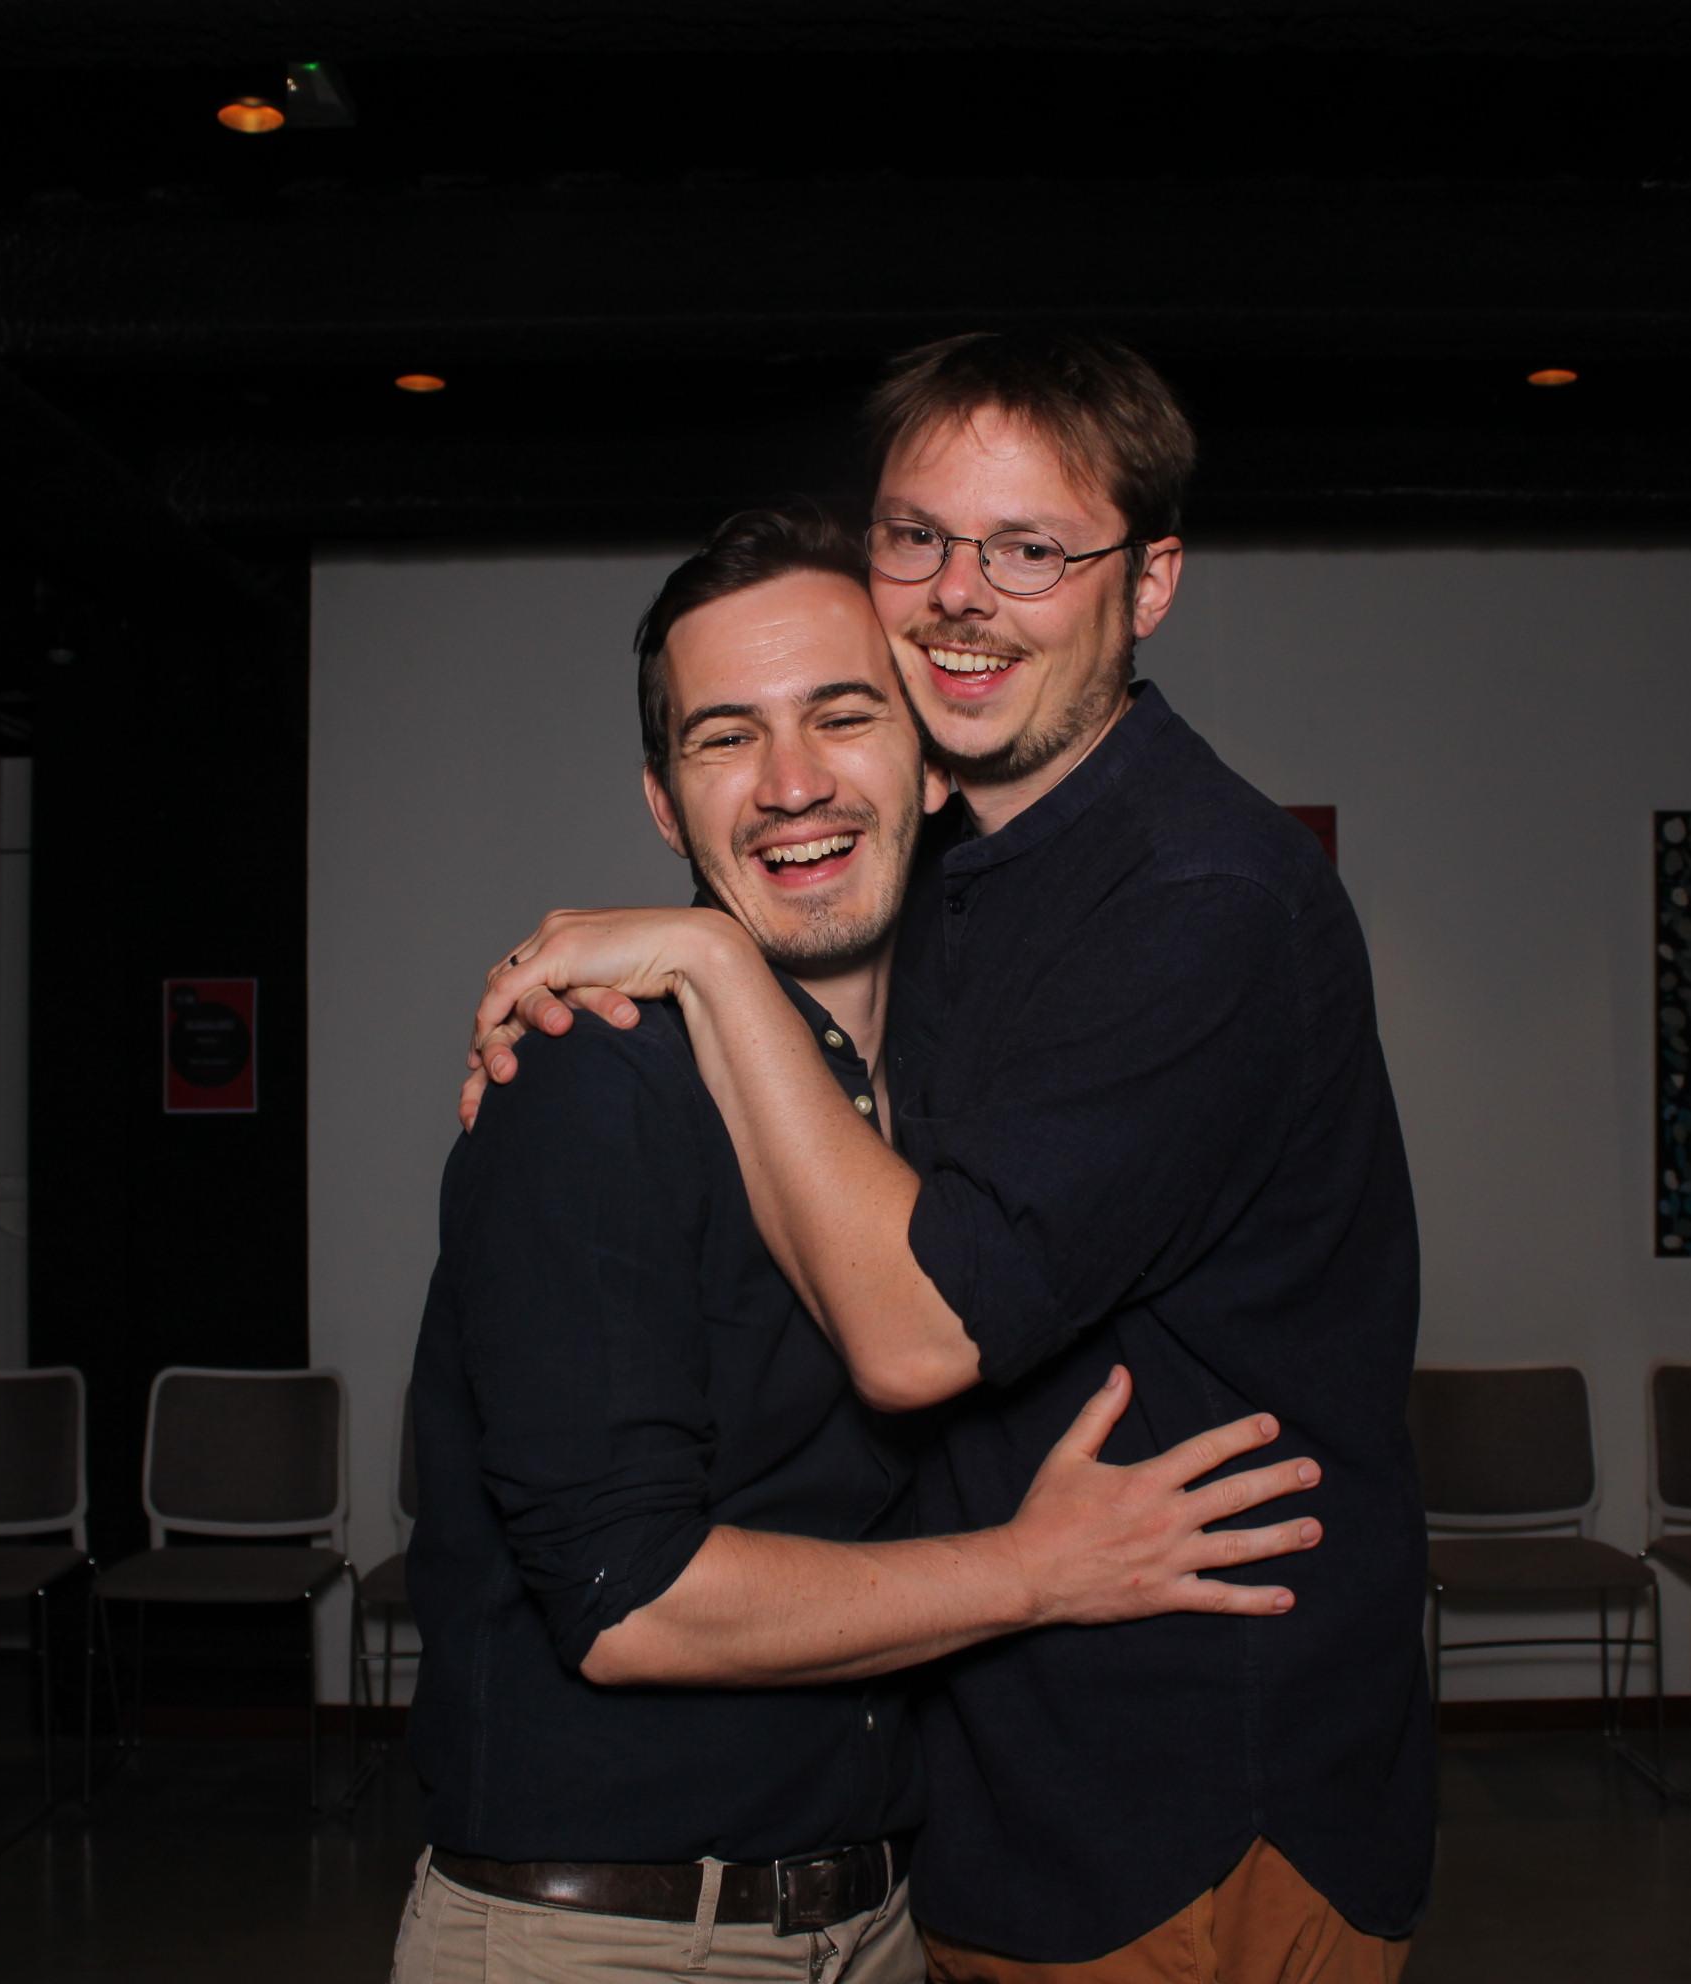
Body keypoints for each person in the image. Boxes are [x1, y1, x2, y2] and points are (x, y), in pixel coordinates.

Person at [469, 334, 1433, 1982]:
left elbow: (918, 1338)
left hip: (1189, 1805)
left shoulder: (1197, 901)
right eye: (918, 536)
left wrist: (704, 954)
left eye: (1031, 547)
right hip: (993, 1811)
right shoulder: (957, 895)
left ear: (1150, 582)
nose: (961, 593)